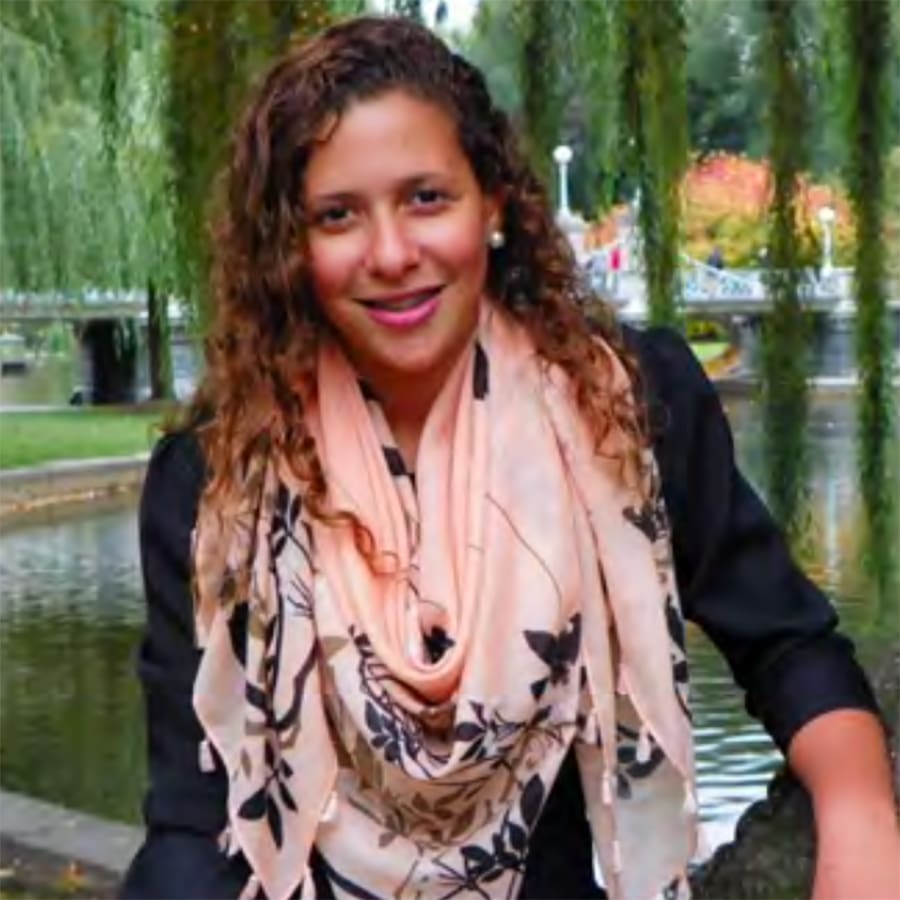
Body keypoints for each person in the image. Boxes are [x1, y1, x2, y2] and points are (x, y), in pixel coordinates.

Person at [122, 17, 899, 900]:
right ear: (293, 249)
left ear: (491, 201)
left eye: (426, 198)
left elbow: (786, 644)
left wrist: (859, 810)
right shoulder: (219, 481)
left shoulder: (630, 412)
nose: (390, 254)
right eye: (337, 216)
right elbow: (195, 816)